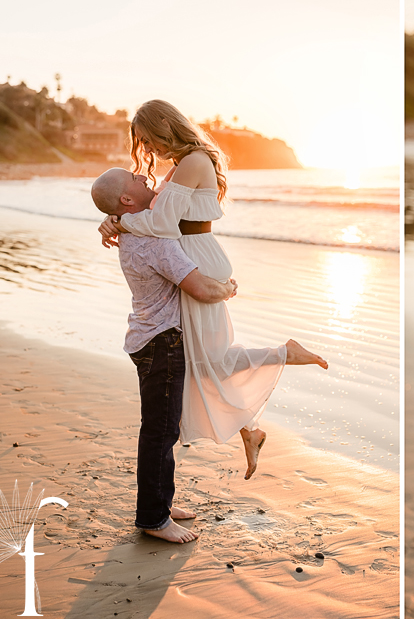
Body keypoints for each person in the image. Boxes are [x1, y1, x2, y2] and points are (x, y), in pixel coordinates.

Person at [97, 102, 327, 480]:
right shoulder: (181, 164)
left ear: (165, 125)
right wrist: (113, 219)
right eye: (144, 144)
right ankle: (249, 429)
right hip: (190, 258)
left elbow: (163, 221)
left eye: (149, 140)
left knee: (209, 361)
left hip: (197, 262)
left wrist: (120, 222)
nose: (148, 150)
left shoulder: (193, 161)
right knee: (201, 362)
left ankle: (285, 355)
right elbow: (155, 214)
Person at [91, 167, 240, 543]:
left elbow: (175, 178)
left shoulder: (135, 227)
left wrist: (114, 220)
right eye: (135, 178)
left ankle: (162, 503)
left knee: (162, 429)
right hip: (162, 343)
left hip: (148, 337)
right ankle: (153, 518)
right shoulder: (154, 240)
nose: (145, 177)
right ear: (127, 199)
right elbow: (200, 288)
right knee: (160, 432)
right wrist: (228, 288)